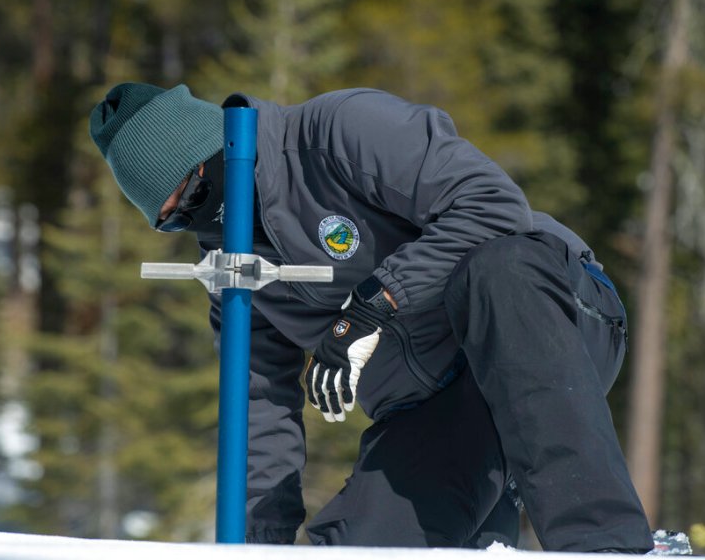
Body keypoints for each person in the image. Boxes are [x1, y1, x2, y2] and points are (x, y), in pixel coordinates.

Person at [89, 83, 654, 552]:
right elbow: (260, 408)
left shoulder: (337, 131)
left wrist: (372, 305)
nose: (195, 218)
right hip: (439, 408)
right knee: (360, 545)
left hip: (556, 318)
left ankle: (601, 543)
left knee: (499, 267)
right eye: (173, 219)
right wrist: (260, 545)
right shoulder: (233, 270)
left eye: (193, 193)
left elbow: (493, 207)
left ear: (219, 149)